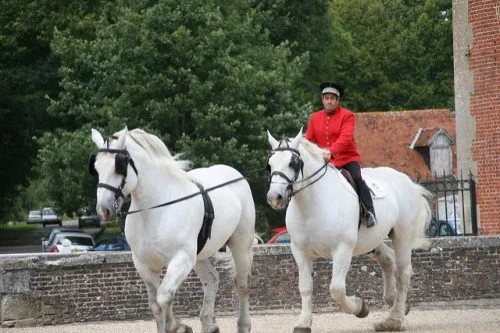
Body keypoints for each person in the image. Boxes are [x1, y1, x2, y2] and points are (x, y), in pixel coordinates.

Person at [305, 82, 377, 228]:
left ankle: (369, 212)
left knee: (356, 178)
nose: (329, 101)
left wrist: (330, 152)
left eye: (332, 98)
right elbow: (309, 140)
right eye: (326, 98)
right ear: (322, 100)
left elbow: (345, 137)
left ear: (338, 101)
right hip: (322, 162)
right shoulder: (314, 118)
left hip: (346, 159)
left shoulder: (347, 116)